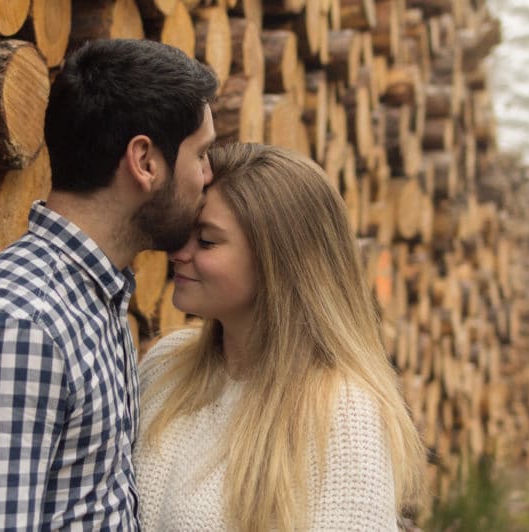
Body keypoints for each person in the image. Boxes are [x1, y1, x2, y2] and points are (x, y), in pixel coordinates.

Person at [0, 39, 217, 530]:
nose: (208, 175)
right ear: (145, 161)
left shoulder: (92, 298)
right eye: (202, 154)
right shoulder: (19, 325)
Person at [133, 143, 426, 531]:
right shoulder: (165, 365)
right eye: (187, 233)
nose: (178, 252)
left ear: (278, 262)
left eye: (206, 241)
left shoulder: (343, 411)